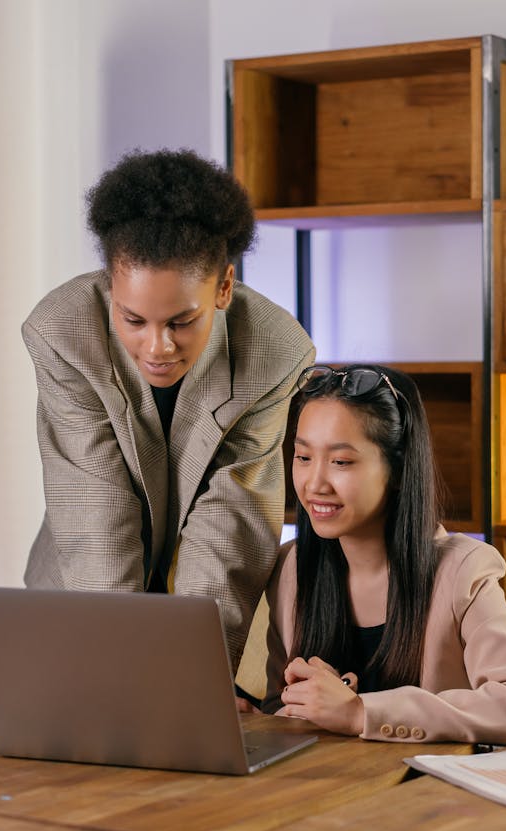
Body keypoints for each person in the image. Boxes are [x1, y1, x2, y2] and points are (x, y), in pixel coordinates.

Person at [22, 149, 315, 670]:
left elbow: (230, 523)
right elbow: (96, 508)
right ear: (110, 285)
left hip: (205, 597)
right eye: (133, 320)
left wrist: (192, 669)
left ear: (224, 287)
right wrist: (119, 667)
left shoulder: (274, 351)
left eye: (181, 322)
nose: (157, 347)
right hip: (83, 594)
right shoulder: (62, 331)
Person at [263, 364, 506, 743]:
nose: (314, 483)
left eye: (341, 461)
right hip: (330, 791)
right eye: (303, 457)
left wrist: (361, 712)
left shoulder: (460, 571)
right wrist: (281, 706)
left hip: (428, 794)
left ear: (399, 469)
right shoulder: (291, 570)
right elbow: (279, 705)